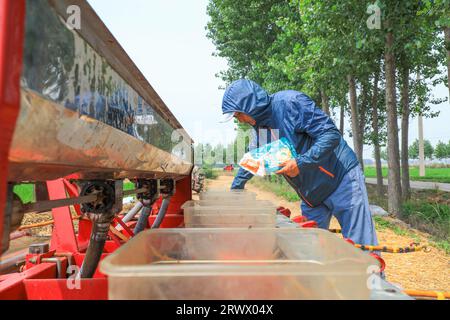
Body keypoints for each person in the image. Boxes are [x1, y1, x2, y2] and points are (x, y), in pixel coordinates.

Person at [222, 79, 378, 247]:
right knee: (310, 249)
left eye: (238, 114)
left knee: (360, 244)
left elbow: (330, 135)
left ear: (249, 105)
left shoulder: (290, 103)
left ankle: (372, 274)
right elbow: (251, 162)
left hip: (340, 179)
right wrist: (234, 194)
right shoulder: (259, 130)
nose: (238, 120)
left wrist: (301, 163)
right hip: (310, 193)